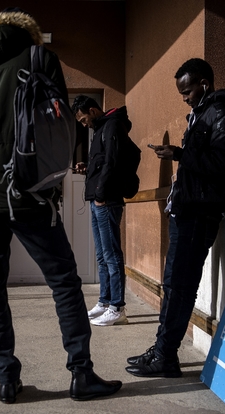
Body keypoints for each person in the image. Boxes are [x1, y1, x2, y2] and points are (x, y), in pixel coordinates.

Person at [0, 8, 122, 403]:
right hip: (33, 192)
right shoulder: (40, 58)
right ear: (27, 31)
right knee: (63, 281)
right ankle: (81, 373)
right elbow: (60, 126)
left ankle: (7, 378)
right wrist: (52, 180)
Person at [126, 58, 225, 377]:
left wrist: (180, 155)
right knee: (174, 285)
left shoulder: (221, 112)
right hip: (188, 209)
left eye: (188, 91)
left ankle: (166, 356)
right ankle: (162, 350)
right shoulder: (205, 112)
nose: (184, 97)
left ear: (204, 84)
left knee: (179, 286)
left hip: (199, 212)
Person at [71, 96, 132, 327]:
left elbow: (112, 162)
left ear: (94, 110)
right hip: (98, 199)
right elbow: (102, 162)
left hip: (106, 200)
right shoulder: (100, 129)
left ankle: (117, 307)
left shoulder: (112, 125)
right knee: (102, 255)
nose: (84, 124)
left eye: (84, 119)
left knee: (112, 254)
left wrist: (100, 195)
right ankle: (105, 301)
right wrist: (88, 169)